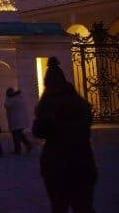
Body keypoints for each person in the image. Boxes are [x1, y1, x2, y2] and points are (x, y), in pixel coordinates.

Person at [32, 56, 97, 212]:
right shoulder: (80, 102)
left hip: (56, 163)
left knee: (59, 206)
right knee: (83, 206)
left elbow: (39, 132)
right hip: (82, 161)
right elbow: (84, 128)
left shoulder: (47, 104)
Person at [4, 87, 32, 155]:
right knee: (19, 134)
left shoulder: (13, 99)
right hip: (19, 120)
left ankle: (20, 148)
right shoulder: (19, 97)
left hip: (16, 121)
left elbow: (6, 105)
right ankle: (24, 146)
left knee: (16, 135)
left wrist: (7, 98)